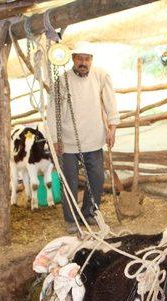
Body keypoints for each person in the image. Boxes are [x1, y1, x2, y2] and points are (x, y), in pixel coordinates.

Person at [47, 40, 120, 234]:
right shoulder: (61, 80)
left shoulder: (100, 75)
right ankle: (71, 220)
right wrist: (55, 139)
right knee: (69, 181)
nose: (83, 62)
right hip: (68, 141)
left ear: (91, 60)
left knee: (97, 178)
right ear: (72, 59)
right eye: (79, 58)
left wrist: (112, 128)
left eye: (86, 59)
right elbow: (53, 111)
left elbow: (110, 102)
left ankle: (89, 213)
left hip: (94, 137)